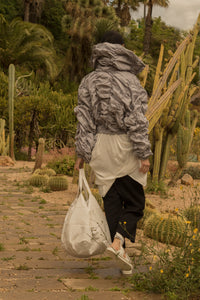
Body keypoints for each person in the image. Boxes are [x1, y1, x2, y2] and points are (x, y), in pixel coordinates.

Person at [74, 30, 152, 275]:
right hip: (125, 145)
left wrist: (81, 153)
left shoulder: (88, 81)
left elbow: (84, 120)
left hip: (100, 147)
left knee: (113, 203)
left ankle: (122, 255)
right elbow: (136, 120)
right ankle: (118, 242)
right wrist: (144, 152)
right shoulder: (130, 81)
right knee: (136, 202)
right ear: (122, 48)